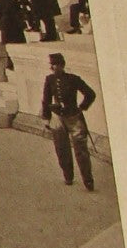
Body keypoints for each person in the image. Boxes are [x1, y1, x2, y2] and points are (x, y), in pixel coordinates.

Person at [41, 52, 98, 190]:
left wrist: (81, 108)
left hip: (74, 117)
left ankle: (88, 181)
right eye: (51, 65)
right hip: (57, 118)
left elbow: (90, 94)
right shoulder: (49, 80)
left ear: (62, 65)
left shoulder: (74, 79)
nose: (52, 68)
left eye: (55, 65)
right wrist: (46, 118)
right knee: (61, 148)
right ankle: (68, 176)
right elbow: (46, 99)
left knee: (81, 151)